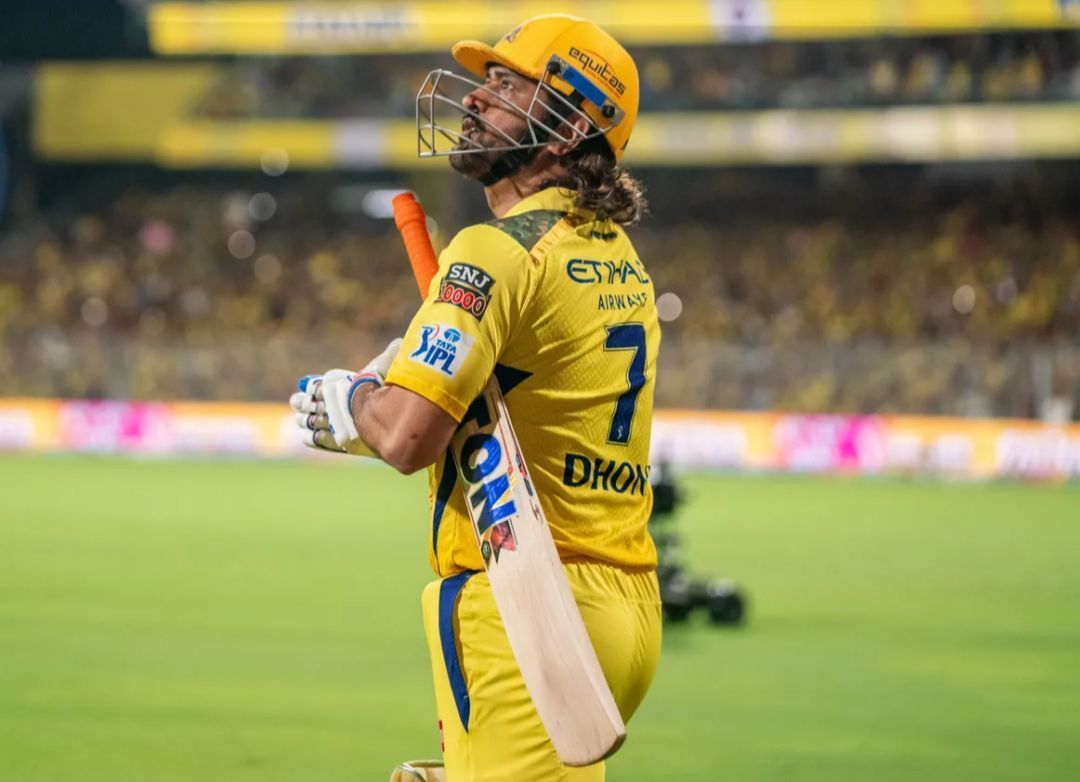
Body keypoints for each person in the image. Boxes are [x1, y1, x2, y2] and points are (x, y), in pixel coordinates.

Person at [291, 14, 661, 782]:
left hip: (528, 606)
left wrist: (350, 400)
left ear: (563, 130)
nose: (474, 100)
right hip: (623, 605)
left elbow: (405, 439)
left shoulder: (494, 250)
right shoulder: (617, 257)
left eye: (504, 87)